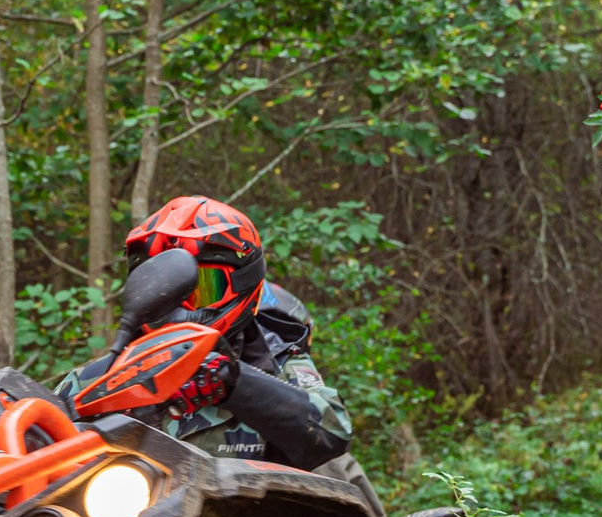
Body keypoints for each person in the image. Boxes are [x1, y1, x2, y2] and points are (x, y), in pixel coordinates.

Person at [58, 195, 375, 500]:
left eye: (203, 289)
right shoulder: (94, 380)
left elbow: (333, 429)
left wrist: (232, 382)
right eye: (163, 293)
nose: (179, 311)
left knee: (335, 466)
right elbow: (33, 431)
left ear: (244, 284)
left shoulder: (271, 358)